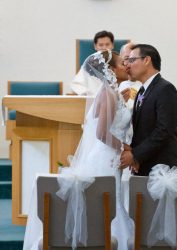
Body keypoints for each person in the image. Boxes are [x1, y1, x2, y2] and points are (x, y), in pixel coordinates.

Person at [23, 50, 134, 250]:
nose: (126, 65)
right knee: (110, 206)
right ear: (111, 69)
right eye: (121, 63)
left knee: (107, 205)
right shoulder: (108, 93)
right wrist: (127, 148)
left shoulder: (111, 92)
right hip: (107, 157)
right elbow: (102, 133)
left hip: (108, 155)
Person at [120, 44, 177, 176]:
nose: (128, 65)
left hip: (163, 169)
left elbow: (164, 130)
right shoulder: (142, 91)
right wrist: (136, 157)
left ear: (146, 60)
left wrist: (135, 154)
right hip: (145, 166)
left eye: (132, 60)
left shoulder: (165, 89)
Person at [70, 30, 115, 96]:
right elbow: (76, 84)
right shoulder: (88, 65)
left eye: (107, 44)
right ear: (95, 46)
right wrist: (88, 95)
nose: (104, 48)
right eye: (101, 45)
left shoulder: (120, 64)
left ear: (112, 45)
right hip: (93, 101)